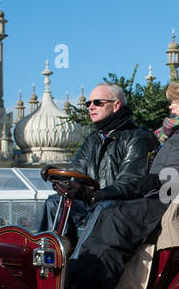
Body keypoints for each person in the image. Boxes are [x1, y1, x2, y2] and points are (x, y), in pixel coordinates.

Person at [65, 77, 179, 289]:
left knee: (114, 217)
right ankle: (79, 281)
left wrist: (157, 179)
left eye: (175, 100)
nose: (170, 106)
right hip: (164, 194)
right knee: (108, 212)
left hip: (169, 198)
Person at [38, 83, 156, 241]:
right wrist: (60, 180)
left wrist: (93, 195)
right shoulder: (93, 139)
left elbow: (131, 182)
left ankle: (80, 262)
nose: (90, 107)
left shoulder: (137, 137)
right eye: (88, 103)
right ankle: (49, 256)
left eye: (97, 102)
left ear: (116, 105)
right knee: (54, 202)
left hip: (121, 205)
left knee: (103, 209)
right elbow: (77, 172)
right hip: (94, 202)